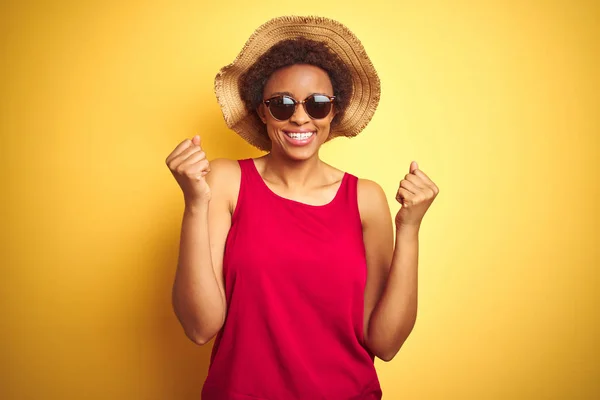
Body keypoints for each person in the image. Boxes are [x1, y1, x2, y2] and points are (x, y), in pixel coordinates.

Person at [165, 16, 439, 400]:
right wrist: (195, 205)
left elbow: (386, 344)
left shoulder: (365, 198)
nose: (299, 116)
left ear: (333, 112)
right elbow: (199, 327)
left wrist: (409, 227)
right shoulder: (226, 183)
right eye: (281, 104)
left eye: (318, 104)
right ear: (261, 111)